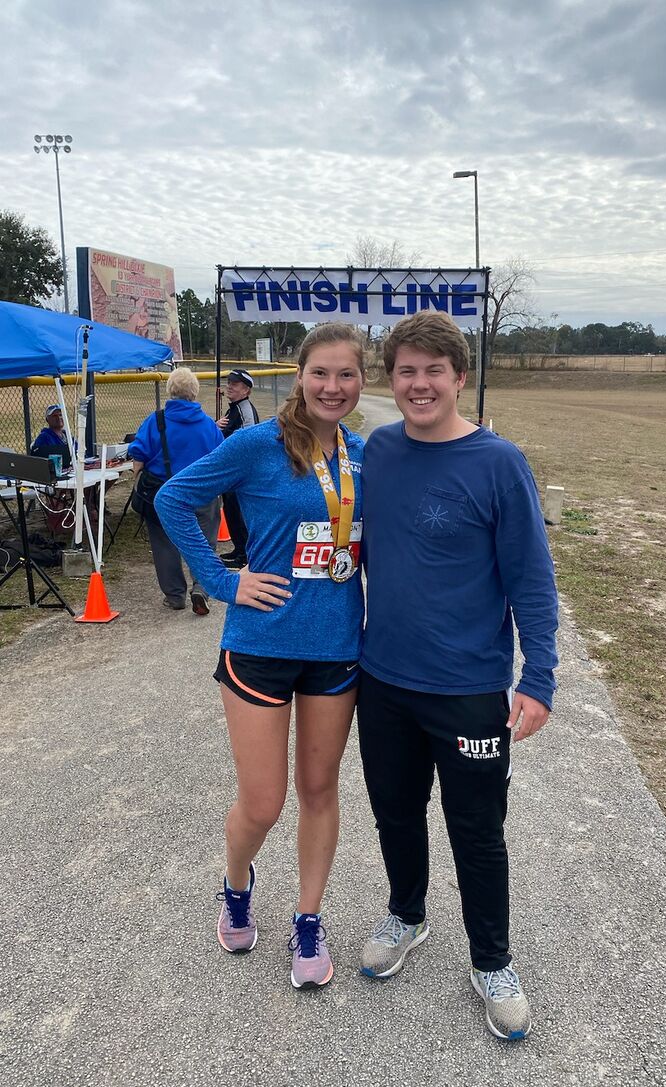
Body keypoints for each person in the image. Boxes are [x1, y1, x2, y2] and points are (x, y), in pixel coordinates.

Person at [357, 311, 559, 1041]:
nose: (418, 384)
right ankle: (407, 914)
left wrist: (539, 676)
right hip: (382, 680)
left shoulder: (498, 462)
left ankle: (492, 961)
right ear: (392, 379)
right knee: (395, 813)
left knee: (478, 831)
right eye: (405, 370)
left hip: (470, 689)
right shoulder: (376, 451)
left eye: (432, 371)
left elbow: (532, 577)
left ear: (459, 378)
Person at [155, 323, 366, 990]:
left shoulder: (364, 453)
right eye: (321, 373)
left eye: (347, 375)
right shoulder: (256, 444)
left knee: (319, 790)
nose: (333, 387)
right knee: (264, 801)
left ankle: (308, 920)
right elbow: (173, 499)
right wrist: (223, 581)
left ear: (362, 382)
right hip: (261, 644)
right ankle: (237, 884)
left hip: (336, 649)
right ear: (300, 376)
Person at [129, 367, 223, 614]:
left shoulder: (155, 421)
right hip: (203, 493)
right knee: (204, 542)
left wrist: (136, 477)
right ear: (194, 392)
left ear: (170, 390)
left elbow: (138, 455)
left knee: (164, 544)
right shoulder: (208, 425)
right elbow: (221, 458)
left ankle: (175, 596)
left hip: (164, 493)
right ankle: (202, 587)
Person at [216, 368, 259, 568]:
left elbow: (249, 440)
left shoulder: (244, 409)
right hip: (230, 472)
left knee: (238, 512)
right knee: (231, 511)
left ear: (246, 390)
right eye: (229, 383)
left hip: (240, 473)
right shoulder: (233, 408)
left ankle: (245, 555)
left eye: (235, 384)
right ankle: (239, 549)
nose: (229, 387)